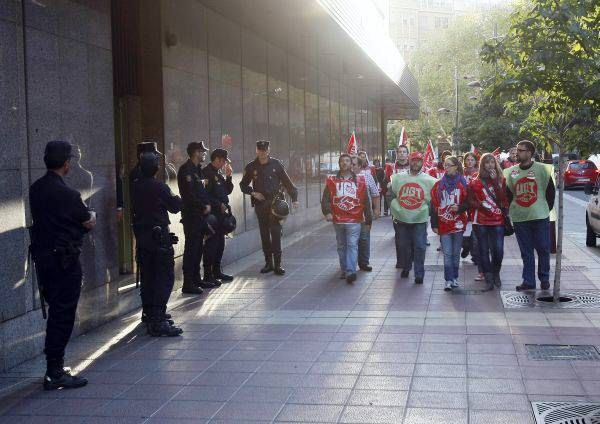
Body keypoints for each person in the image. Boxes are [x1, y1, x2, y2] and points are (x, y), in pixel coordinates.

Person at [29, 140, 97, 390]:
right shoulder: (68, 194)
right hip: (65, 262)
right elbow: (87, 220)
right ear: (66, 163)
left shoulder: (36, 189)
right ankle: (54, 371)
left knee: (57, 312)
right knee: (62, 314)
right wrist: (88, 219)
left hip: (44, 261)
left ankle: (54, 366)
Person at [131, 143, 184, 336]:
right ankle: (158, 320)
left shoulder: (136, 184)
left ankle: (150, 313)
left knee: (148, 277)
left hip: (143, 237)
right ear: (155, 168)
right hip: (159, 239)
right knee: (163, 278)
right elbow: (175, 206)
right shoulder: (159, 186)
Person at [240, 140, 299, 275]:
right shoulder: (251, 167)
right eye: (260, 150)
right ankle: (268, 263)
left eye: (265, 150)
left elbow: (288, 183)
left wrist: (294, 198)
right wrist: (253, 192)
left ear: (269, 150)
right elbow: (243, 185)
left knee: (276, 233)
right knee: (265, 235)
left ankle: (278, 264)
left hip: (275, 204)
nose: (262, 153)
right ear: (256, 151)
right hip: (261, 205)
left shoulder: (276, 164)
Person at [504, 140, 555, 291]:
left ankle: (544, 279)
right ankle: (528, 281)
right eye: (517, 150)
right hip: (520, 218)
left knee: (543, 249)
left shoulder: (542, 170)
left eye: (521, 150)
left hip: (540, 217)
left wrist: (543, 209)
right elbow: (508, 195)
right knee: (526, 252)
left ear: (529, 153)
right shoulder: (511, 172)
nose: (517, 152)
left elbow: (550, 193)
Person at [322, 154, 373, 283]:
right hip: (338, 220)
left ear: (351, 164)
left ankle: (351, 271)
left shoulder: (360, 180)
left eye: (347, 161)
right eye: (342, 161)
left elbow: (366, 201)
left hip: (354, 220)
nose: (344, 163)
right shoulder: (332, 180)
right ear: (339, 164)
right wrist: (327, 212)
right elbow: (326, 199)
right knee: (341, 245)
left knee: (352, 245)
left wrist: (368, 219)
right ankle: (344, 269)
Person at [390, 152, 436, 284]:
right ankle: (406, 266)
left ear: (422, 163)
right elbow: (391, 194)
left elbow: (434, 199)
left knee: (420, 246)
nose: (416, 163)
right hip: (401, 218)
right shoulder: (398, 178)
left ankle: (419, 274)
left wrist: (429, 212)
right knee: (403, 245)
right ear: (409, 161)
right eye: (413, 160)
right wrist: (394, 208)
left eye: (418, 161)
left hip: (420, 219)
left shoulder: (430, 180)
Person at [177, 141, 214, 294]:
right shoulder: (185, 170)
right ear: (195, 152)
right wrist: (202, 206)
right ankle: (188, 283)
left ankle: (197, 279)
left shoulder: (198, 170)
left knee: (198, 248)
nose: (204, 153)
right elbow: (188, 195)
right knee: (191, 249)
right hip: (192, 216)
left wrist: (207, 204)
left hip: (201, 216)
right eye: (202, 151)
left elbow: (201, 192)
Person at [469, 153, 508, 289]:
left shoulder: (502, 180)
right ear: (482, 165)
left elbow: (504, 199)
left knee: (498, 251)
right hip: (480, 220)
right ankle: (489, 278)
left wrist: (496, 183)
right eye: (487, 162)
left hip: (497, 220)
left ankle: (496, 273)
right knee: (483, 250)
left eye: (492, 162)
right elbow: (470, 200)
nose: (490, 165)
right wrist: (481, 206)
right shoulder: (475, 181)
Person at [431, 156, 469, 291]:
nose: (446, 168)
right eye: (444, 165)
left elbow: (468, 202)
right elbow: (434, 205)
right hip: (444, 223)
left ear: (456, 167)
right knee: (447, 252)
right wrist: (434, 224)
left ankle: (455, 278)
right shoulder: (438, 185)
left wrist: (459, 208)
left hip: (458, 223)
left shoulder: (463, 183)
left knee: (456, 252)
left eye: (449, 165)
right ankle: (448, 279)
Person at [202, 148, 235, 283]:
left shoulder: (218, 174)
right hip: (212, 216)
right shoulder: (207, 173)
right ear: (218, 159)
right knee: (211, 245)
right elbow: (205, 195)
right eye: (223, 161)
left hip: (221, 215)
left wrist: (229, 176)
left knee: (220, 244)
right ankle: (208, 274)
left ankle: (217, 271)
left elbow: (227, 191)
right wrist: (217, 204)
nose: (224, 164)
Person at [352, 156, 380, 271]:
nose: (351, 166)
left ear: (359, 166)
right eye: (350, 164)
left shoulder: (367, 176)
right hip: (348, 214)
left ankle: (363, 262)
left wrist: (376, 209)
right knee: (350, 240)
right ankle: (348, 264)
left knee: (364, 238)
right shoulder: (342, 178)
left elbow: (374, 194)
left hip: (364, 213)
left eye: (354, 164)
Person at [462, 152, 483, 282]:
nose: (470, 162)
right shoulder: (461, 173)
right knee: (465, 233)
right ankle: (466, 247)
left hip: (475, 207)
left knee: (475, 233)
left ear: (476, 162)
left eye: (472, 160)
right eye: (467, 160)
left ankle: (474, 254)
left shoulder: (478, 174)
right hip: (464, 206)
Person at [384, 145, 410, 216]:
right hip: (396, 194)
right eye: (400, 152)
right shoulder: (391, 167)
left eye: (404, 152)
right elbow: (387, 181)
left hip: (409, 192)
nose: (402, 153)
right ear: (397, 154)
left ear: (407, 154)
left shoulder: (412, 166)